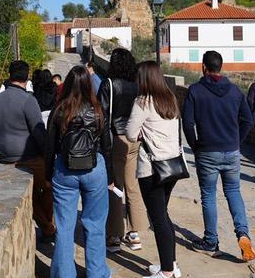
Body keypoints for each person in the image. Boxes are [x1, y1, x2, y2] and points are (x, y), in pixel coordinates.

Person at [182, 50, 255, 262]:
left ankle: (211, 240)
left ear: (203, 67)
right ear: (221, 67)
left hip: (207, 151)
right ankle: (243, 234)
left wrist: (195, 146)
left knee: (208, 195)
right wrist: (237, 142)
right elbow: (247, 121)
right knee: (234, 191)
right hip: (231, 151)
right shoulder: (235, 91)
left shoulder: (195, 91)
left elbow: (187, 123)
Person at [45, 66, 114, 278]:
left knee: (65, 226)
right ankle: (97, 272)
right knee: (95, 224)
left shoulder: (59, 110)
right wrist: (110, 177)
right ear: (87, 84)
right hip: (94, 168)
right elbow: (107, 145)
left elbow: (50, 147)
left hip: (64, 170)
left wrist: (49, 175)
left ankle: (64, 274)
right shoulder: (98, 109)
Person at [126, 61, 182, 278]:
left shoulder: (142, 102)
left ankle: (167, 272)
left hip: (151, 168)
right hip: (172, 166)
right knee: (163, 216)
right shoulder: (170, 100)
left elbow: (131, 133)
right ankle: (172, 264)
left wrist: (141, 134)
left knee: (158, 219)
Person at [0, 60, 56, 243]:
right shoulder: (28, 100)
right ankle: (48, 227)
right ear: (26, 77)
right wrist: (48, 154)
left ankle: (47, 227)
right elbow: (38, 132)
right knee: (51, 185)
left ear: (10, 75)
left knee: (32, 194)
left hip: (5, 155)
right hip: (28, 156)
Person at [99, 48, 147, 253]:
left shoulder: (108, 84)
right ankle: (135, 233)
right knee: (132, 186)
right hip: (134, 139)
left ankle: (114, 235)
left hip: (115, 139)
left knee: (115, 187)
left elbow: (101, 116)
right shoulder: (137, 86)